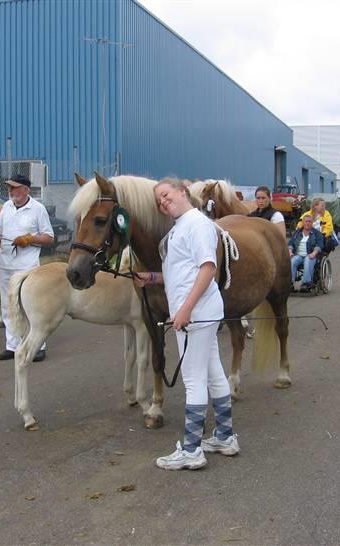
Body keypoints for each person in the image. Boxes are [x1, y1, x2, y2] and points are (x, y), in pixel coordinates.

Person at [134, 178, 239, 471]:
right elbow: (184, 271)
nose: (163, 202)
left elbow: (208, 268)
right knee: (214, 372)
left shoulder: (198, 224)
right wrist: (153, 278)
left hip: (196, 314)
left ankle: (192, 451)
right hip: (198, 312)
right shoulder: (181, 227)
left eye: (166, 195)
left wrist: (185, 310)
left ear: (182, 192)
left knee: (193, 380)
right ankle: (225, 437)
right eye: (159, 201)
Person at [0, 174, 54, 362]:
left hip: (27, 267)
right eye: (9, 187)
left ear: (26, 190)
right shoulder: (6, 207)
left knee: (29, 306)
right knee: (8, 305)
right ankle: (12, 346)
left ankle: (38, 346)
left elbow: (49, 237)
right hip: (6, 266)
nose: (11, 191)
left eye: (15, 187)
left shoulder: (38, 209)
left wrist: (29, 239)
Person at [288, 213, 324, 291]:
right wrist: (290, 251)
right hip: (298, 255)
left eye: (310, 221)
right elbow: (291, 243)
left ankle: (306, 283)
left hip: (311, 254)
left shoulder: (317, 234)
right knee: (292, 261)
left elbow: (319, 245)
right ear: (303, 222)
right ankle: (290, 283)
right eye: (306, 221)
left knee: (307, 260)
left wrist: (314, 253)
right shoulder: (297, 233)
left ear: (312, 223)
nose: (307, 223)